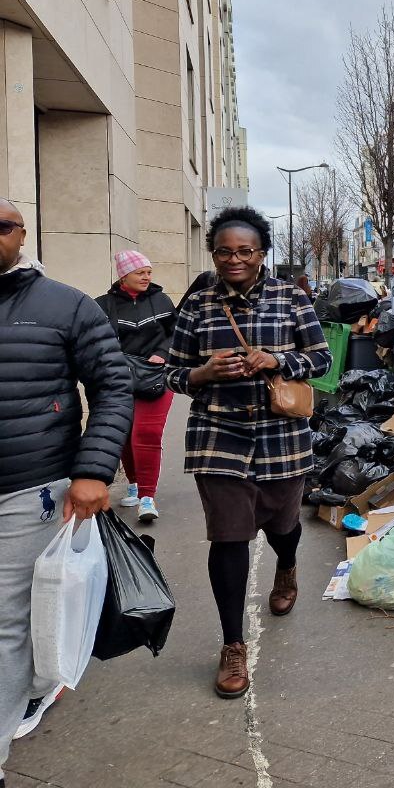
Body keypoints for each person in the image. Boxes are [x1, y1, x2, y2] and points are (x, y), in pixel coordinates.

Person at [165, 206, 331, 699]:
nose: (234, 259)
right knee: (229, 537)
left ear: (261, 253)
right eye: (224, 251)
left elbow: (322, 359)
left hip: (282, 435)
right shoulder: (197, 305)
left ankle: (287, 565)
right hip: (218, 434)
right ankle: (232, 644)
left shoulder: (290, 297)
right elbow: (171, 373)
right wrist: (203, 374)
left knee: (284, 526)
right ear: (213, 254)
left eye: (245, 251)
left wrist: (278, 359)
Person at [0, 198, 133, 783]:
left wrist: (94, 471)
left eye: (1, 226)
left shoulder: (65, 305)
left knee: (5, 622)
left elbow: (113, 386)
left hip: (29, 490)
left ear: (21, 234)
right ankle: (33, 684)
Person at [96, 251, 177, 522]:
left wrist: (162, 353)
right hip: (119, 379)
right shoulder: (103, 305)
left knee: (147, 433)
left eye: (149, 272)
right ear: (123, 275)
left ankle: (147, 497)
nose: (146, 277)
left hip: (156, 377)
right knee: (125, 435)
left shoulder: (162, 300)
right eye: (140, 272)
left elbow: (176, 333)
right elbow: (96, 340)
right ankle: (133, 483)